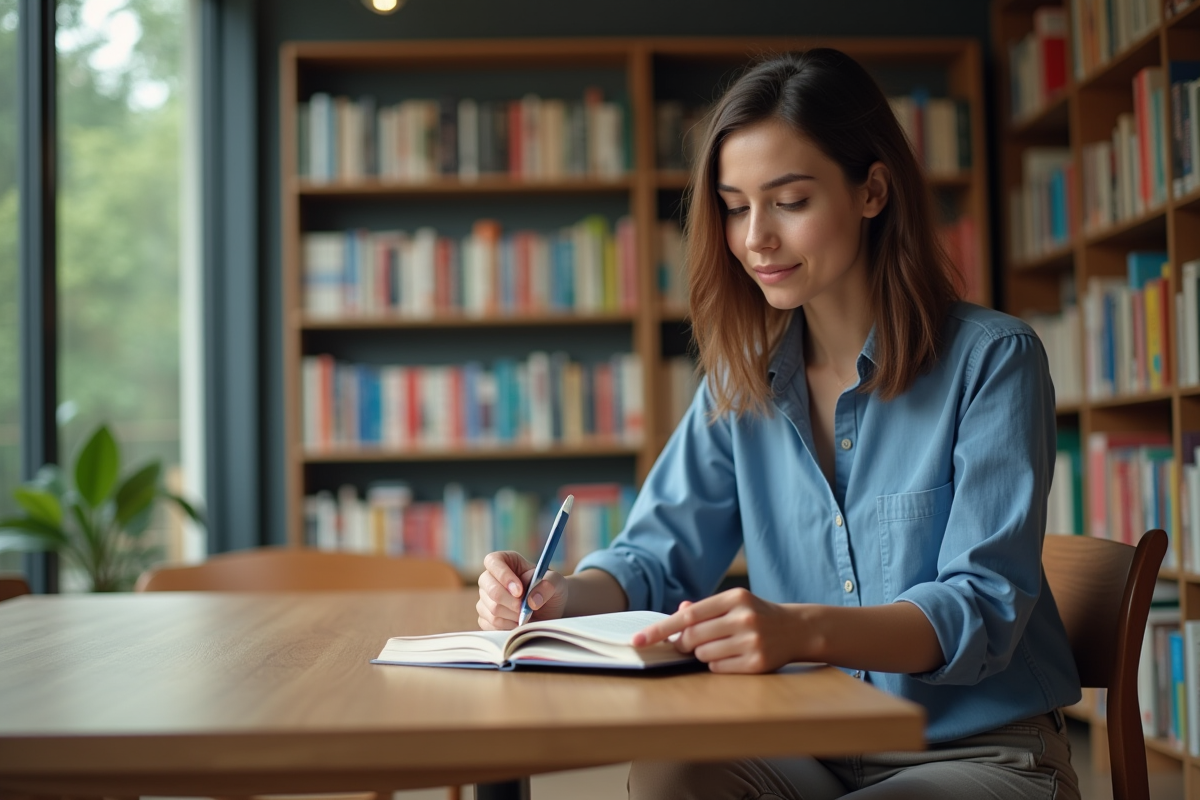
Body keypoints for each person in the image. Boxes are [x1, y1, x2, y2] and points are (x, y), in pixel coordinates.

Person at [475, 48, 1083, 800]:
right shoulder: (739, 383)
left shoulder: (993, 361)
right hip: (807, 745)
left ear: (873, 191)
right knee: (672, 776)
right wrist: (559, 600)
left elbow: (982, 606)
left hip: (976, 751)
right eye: (735, 206)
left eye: (789, 201)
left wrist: (801, 631)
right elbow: (653, 563)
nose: (755, 237)